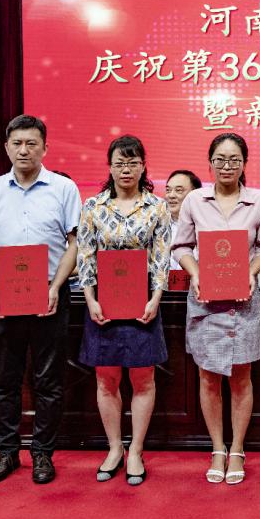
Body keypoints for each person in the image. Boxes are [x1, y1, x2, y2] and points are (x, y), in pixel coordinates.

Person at [0, 115, 82, 485]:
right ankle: (6, 452)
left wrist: (56, 286)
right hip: (6, 293)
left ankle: (42, 453)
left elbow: (74, 243)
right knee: (5, 380)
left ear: (44, 148)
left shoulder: (64, 189)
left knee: (48, 381)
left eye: (31, 143)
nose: (24, 150)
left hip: (51, 292)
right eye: (17, 143)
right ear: (6, 147)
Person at [172, 133, 260, 485]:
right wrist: (196, 272)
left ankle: (238, 449)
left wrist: (251, 270)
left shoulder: (258, 203)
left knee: (242, 378)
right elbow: (181, 246)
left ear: (244, 163)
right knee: (208, 377)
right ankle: (218, 447)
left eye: (234, 160)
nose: (227, 166)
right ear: (210, 163)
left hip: (243, 301)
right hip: (205, 299)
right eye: (220, 159)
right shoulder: (194, 200)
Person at [77, 136, 171, 486]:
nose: (126, 169)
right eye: (120, 163)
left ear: (143, 166)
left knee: (143, 378)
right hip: (103, 301)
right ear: (110, 167)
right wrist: (90, 300)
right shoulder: (93, 206)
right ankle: (115, 447)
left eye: (132, 163)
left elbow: (161, 257)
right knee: (106, 378)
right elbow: (85, 254)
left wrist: (155, 298)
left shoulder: (157, 207)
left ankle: (136, 451)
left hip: (143, 300)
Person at [165, 170, 202, 270]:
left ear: (195, 194)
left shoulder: (206, 227)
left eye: (179, 190)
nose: (171, 195)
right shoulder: (157, 227)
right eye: (168, 190)